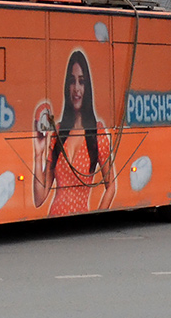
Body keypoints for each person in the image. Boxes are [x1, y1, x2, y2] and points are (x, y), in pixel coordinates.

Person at [32, 49, 116, 216]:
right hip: (54, 217)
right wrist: (38, 154)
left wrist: (97, 218)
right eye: (72, 81)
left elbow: (111, 186)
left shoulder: (97, 131)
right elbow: (39, 198)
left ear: (88, 88)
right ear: (67, 86)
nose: (76, 88)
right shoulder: (58, 132)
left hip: (81, 221)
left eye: (82, 82)